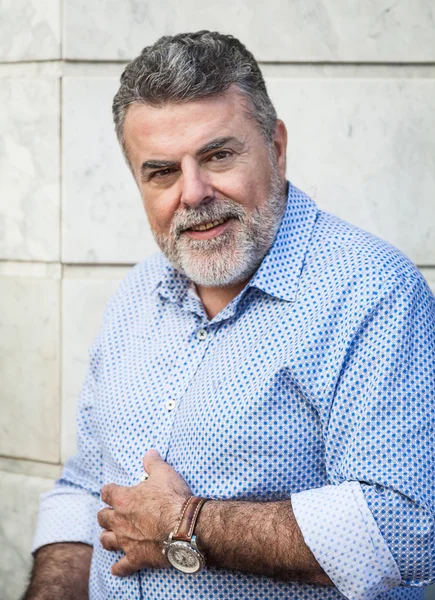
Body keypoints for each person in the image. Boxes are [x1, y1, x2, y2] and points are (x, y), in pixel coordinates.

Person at [24, 31, 435, 600]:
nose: (192, 192)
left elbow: (407, 528)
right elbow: (84, 488)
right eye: (162, 171)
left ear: (277, 146)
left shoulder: (372, 292)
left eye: (218, 155)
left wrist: (186, 524)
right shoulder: (134, 296)